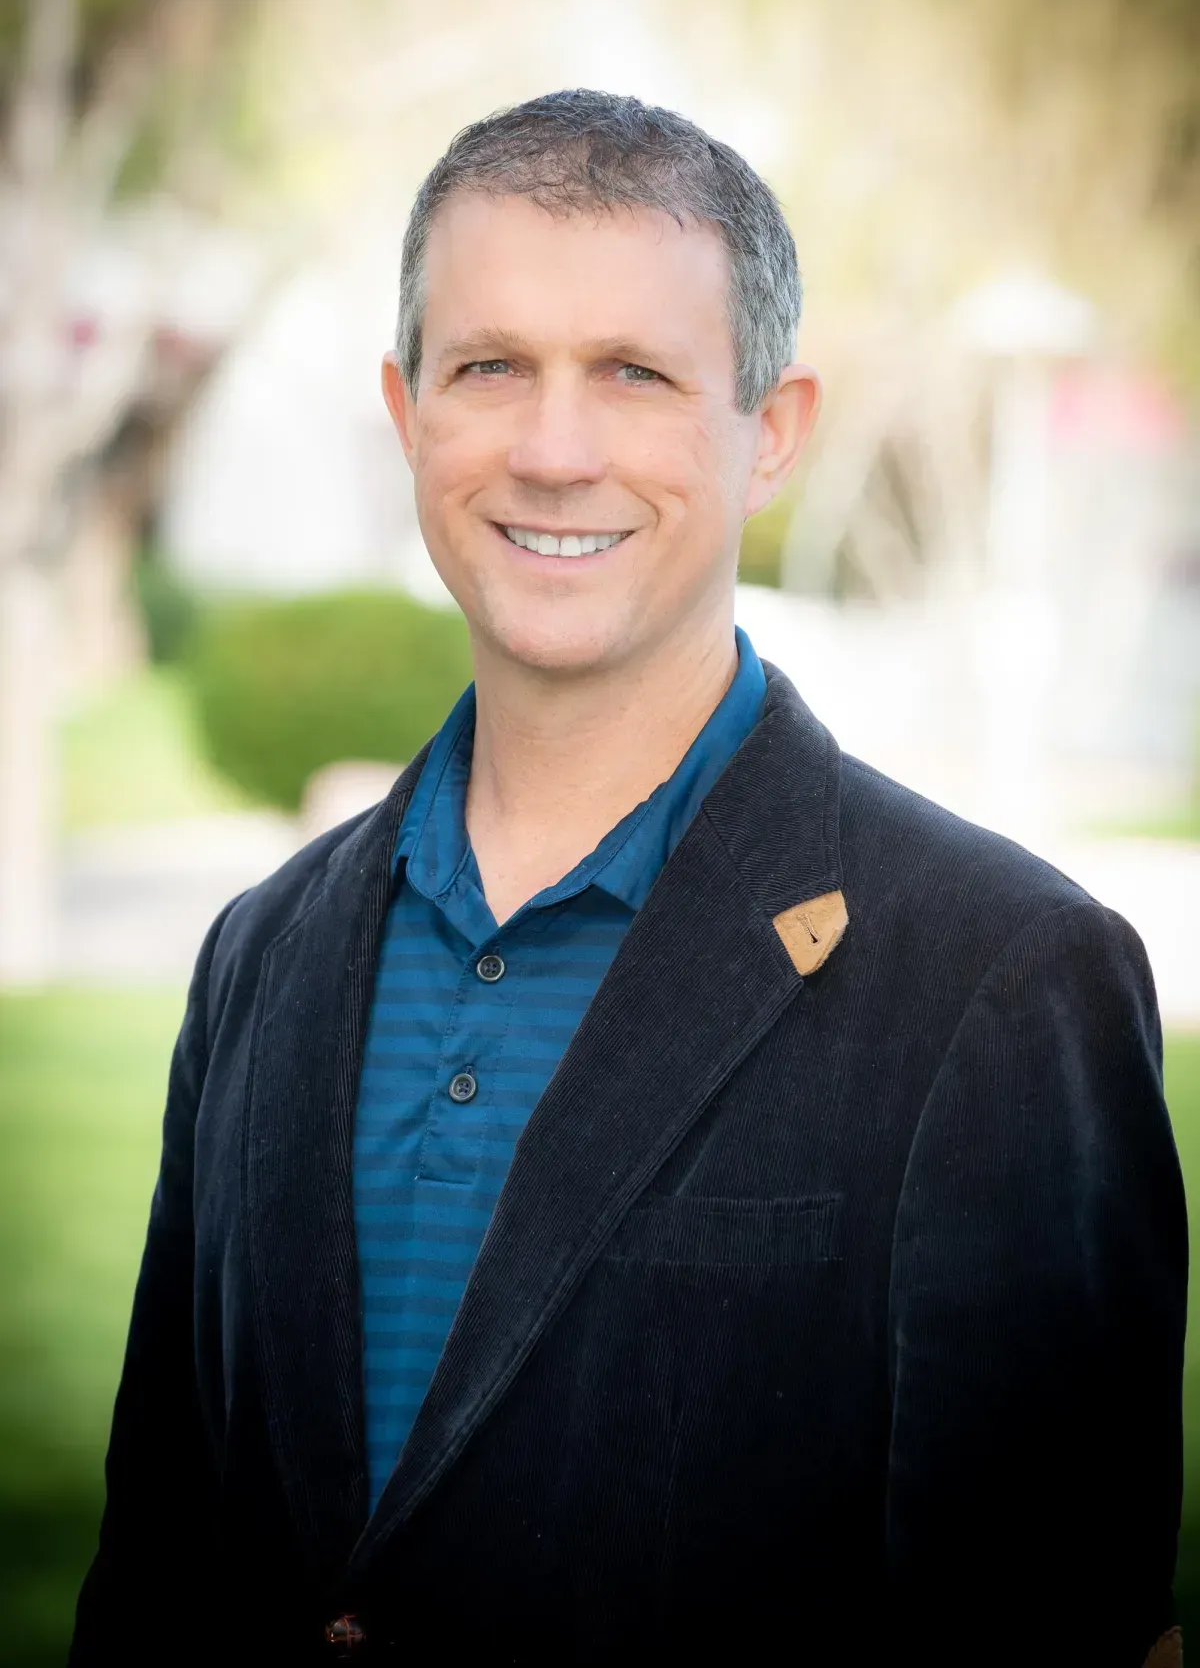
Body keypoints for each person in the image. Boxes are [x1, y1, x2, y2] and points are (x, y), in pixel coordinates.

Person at [70, 90, 1186, 1667]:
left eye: (637, 375)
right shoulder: (264, 952)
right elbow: (157, 1569)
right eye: (490, 368)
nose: (553, 447)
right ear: (406, 414)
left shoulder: (1000, 978)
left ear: (772, 432)